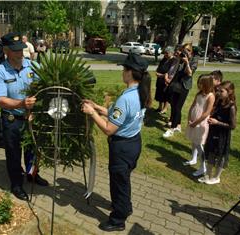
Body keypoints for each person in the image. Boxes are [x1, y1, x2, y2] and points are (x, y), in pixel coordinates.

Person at [81, 52, 151, 232]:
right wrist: (97, 106)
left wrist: (91, 113)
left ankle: (118, 219)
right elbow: (118, 117)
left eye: (124, 69)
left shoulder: (126, 98)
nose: (122, 72)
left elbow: (108, 129)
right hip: (133, 143)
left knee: (119, 183)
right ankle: (125, 207)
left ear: (130, 72)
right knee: (124, 180)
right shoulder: (140, 92)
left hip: (122, 147)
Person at [0, 32, 49, 201]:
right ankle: (16, 184)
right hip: (12, 120)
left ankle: (32, 175)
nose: (20, 53)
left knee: (33, 150)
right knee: (14, 154)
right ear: (7, 50)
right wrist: (21, 104)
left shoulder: (33, 66)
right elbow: (1, 100)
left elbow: (44, 88)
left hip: (32, 118)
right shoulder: (0, 71)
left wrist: (35, 110)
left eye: (22, 49)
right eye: (16, 50)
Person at [198, 81, 237, 185]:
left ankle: (216, 177)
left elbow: (232, 126)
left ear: (230, 92)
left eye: (222, 91)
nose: (219, 93)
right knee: (211, 153)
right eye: (218, 90)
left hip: (222, 135)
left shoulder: (231, 107)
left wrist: (217, 122)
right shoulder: (219, 102)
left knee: (220, 156)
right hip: (213, 132)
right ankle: (208, 175)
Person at [163, 43, 198, 138]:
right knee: (174, 105)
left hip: (184, 86)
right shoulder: (180, 58)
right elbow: (172, 68)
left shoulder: (194, 59)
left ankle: (172, 129)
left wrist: (186, 62)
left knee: (178, 107)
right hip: (175, 83)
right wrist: (177, 58)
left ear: (191, 51)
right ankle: (178, 125)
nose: (184, 51)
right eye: (183, 49)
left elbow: (190, 73)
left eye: (187, 50)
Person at [184, 74, 215, 177]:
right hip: (193, 120)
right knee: (193, 141)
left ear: (206, 84)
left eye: (201, 83)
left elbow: (206, 113)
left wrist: (195, 122)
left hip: (201, 122)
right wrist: (189, 118)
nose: (198, 85)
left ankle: (203, 167)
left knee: (199, 144)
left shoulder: (211, 96)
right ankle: (193, 158)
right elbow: (193, 105)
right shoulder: (199, 94)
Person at [154, 46, 176, 114]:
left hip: (167, 80)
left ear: (171, 53)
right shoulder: (164, 59)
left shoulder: (173, 61)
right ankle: (160, 107)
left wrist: (162, 75)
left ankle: (165, 108)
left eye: (167, 53)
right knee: (159, 93)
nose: (165, 54)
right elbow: (159, 67)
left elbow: (170, 72)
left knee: (166, 94)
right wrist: (157, 72)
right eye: (165, 53)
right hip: (160, 79)